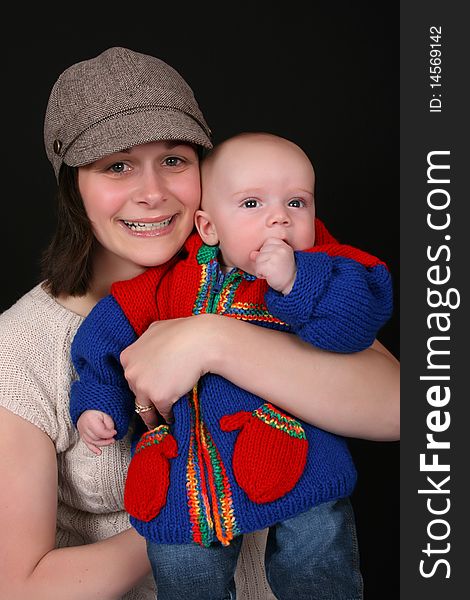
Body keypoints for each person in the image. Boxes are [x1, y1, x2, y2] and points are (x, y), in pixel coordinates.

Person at [0, 46, 399, 600]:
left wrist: (213, 340)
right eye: (116, 165)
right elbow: (19, 587)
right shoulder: (21, 346)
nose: (152, 193)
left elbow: (401, 406)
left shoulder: (265, 251)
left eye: (174, 160)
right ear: (73, 187)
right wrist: (185, 515)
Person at [71, 131, 393, 599]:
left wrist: (296, 283)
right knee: (181, 563)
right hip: (194, 475)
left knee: (317, 550)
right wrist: (96, 402)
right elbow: (103, 337)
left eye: (297, 203)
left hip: (299, 458)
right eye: (251, 204)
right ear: (208, 228)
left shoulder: (323, 268)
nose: (279, 217)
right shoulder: (169, 285)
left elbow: (356, 322)